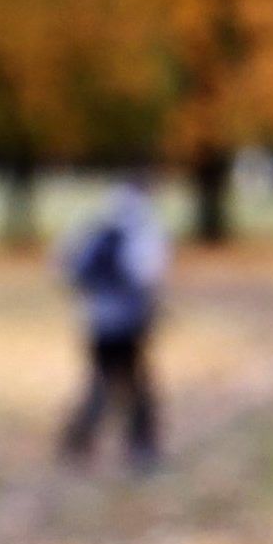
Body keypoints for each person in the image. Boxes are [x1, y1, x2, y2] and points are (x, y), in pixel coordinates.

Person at [55, 179, 171, 471]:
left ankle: (78, 441)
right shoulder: (140, 230)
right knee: (136, 386)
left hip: (96, 321)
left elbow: (65, 267)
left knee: (101, 383)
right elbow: (147, 275)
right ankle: (141, 446)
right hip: (128, 324)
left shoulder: (94, 228)